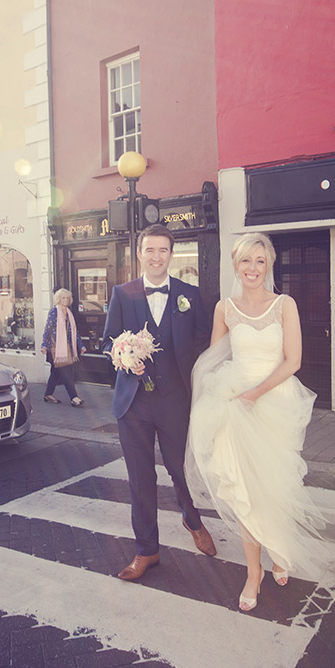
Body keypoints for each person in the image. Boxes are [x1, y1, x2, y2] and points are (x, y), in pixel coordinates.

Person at [185, 233, 332, 612]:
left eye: (260, 261)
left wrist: (255, 393)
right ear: (235, 265)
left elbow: (293, 360)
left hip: (273, 402)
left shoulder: (285, 304)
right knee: (245, 492)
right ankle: (254, 572)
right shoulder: (224, 308)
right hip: (234, 405)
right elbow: (215, 358)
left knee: (274, 483)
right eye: (246, 261)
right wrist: (213, 398)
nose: (252, 269)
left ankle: (279, 547)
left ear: (269, 266)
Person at [102, 223, 216, 582]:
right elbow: (107, 342)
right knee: (140, 479)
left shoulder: (190, 295)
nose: (156, 257)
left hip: (174, 401)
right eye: (149, 250)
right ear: (140, 254)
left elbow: (203, 340)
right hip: (132, 404)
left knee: (180, 469)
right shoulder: (123, 294)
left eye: (163, 251)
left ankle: (192, 519)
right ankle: (146, 551)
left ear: (171, 254)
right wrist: (122, 356)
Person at [41, 288, 86, 406]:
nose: (65, 300)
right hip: (55, 349)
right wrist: (44, 345)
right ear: (58, 299)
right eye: (63, 297)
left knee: (56, 372)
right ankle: (74, 397)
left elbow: (74, 332)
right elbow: (48, 329)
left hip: (67, 348)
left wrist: (81, 346)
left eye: (67, 298)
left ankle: (48, 394)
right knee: (67, 373)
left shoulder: (69, 313)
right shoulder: (54, 312)